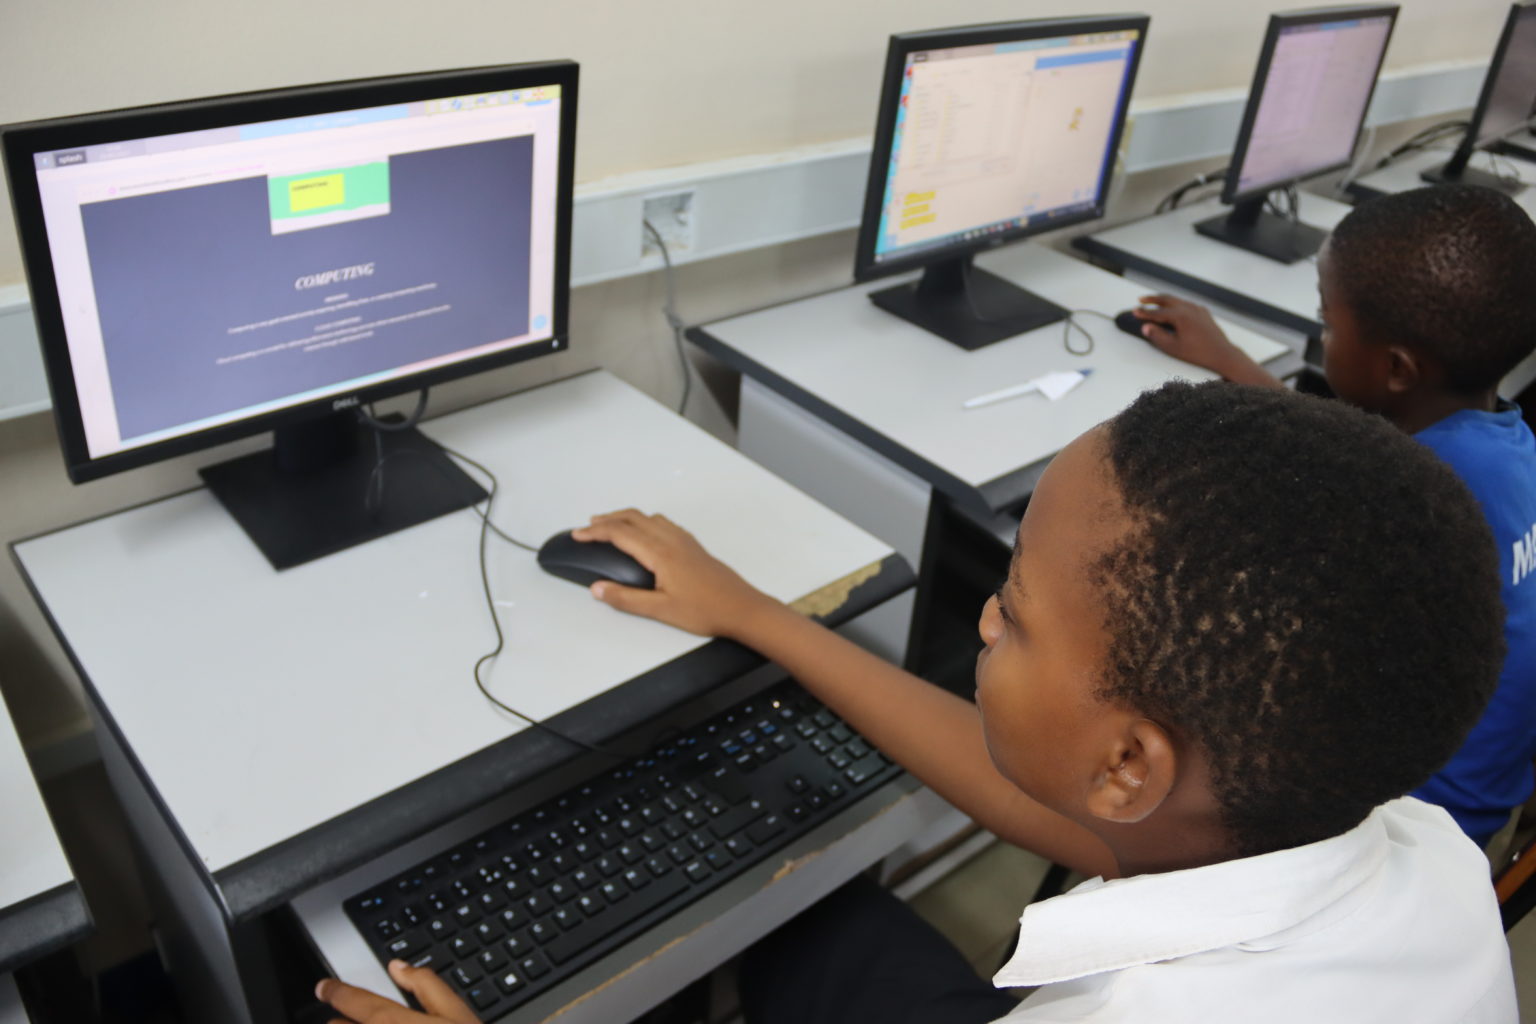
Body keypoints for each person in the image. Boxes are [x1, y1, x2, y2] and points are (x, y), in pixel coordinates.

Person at [317, 380, 1515, 1022]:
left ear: (1127, 765)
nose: (983, 618)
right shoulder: (1413, 840)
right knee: (808, 917)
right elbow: (1064, 802)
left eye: (1014, 606)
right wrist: (758, 613)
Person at [1129, 184, 1536, 853]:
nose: (1323, 338)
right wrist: (1231, 360)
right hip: (1485, 794)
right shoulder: (1497, 447)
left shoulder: (1416, 510)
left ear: (1398, 369)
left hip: (1413, 832)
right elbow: (1344, 448)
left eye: (1330, 325)